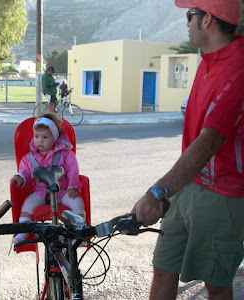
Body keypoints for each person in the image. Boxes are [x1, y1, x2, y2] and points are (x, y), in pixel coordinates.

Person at [131, 1, 244, 299]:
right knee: (163, 267)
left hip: (222, 194)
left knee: (216, 284)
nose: (186, 23)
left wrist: (158, 190)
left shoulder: (238, 68)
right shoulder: (208, 61)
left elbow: (209, 141)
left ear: (207, 20)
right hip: (188, 186)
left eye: (189, 16)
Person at [11, 113, 85, 244]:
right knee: (27, 206)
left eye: (45, 137)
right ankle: (23, 232)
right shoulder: (29, 158)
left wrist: (73, 186)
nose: (40, 140)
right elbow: (25, 172)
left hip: (62, 192)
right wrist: (20, 178)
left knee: (77, 203)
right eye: (37, 136)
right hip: (41, 193)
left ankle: (79, 233)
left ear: (55, 138)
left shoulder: (65, 154)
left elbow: (73, 170)